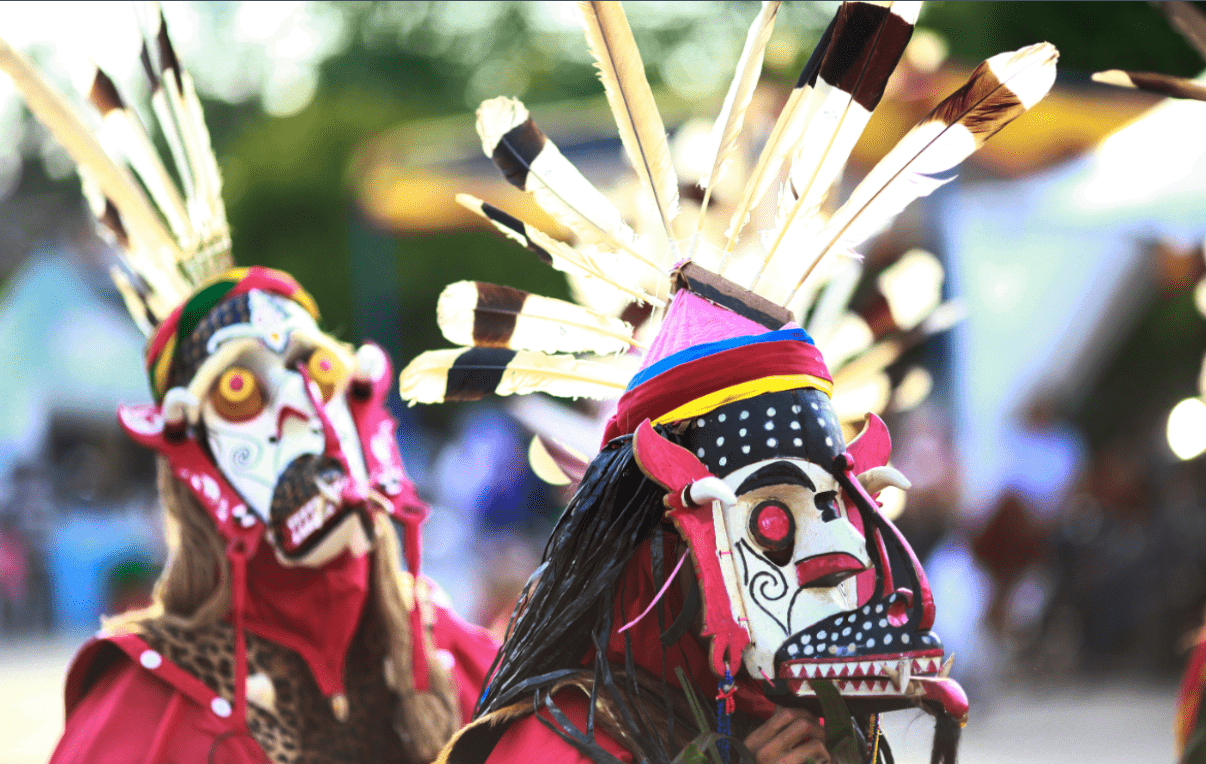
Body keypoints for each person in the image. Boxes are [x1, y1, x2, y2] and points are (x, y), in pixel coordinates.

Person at [400, 3, 1056, 761]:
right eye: (771, 520)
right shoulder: (555, 741)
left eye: (836, 505)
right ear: (667, 540)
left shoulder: (809, 714)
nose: (836, 559)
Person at [0, 9, 496, 763]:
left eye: (316, 368)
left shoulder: (451, 653)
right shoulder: (150, 707)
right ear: (190, 455)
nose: (301, 412)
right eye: (241, 393)